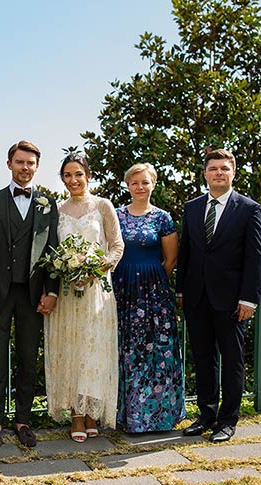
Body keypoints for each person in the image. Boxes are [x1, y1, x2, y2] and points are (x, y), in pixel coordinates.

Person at [0, 140, 59, 449]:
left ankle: (23, 420)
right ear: (9, 164)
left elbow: (52, 252)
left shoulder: (48, 205)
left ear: (37, 167)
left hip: (32, 294)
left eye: (31, 163)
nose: (25, 167)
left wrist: (51, 291)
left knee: (27, 358)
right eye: (20, 162)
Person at [177, 148, 261, 443]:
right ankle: (206, 415)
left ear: (233, 173)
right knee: (203, 358)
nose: (218, 173)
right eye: (213, 168)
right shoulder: (191, 207)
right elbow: (186, 252)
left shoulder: (249, 209)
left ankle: (228, 421)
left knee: (232, 360)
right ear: (205, 173)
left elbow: (255, 259)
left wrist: (249, 299)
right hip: (196, 296)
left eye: (224, 169)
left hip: (231, 301)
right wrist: (180, 290)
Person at [43, 153, 123, 442]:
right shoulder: (57, 209)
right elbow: (50, 250)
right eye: (67, 175)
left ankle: (92, 413)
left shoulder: (103, 206)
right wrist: (67, 267)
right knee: (72, 350)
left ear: (88, 175)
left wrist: (95, 269)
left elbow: (116, 246)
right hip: (67, 295)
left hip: (96, 293)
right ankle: (77, 415)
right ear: (62, 179)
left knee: (93, 352)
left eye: (78, 174)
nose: (73, 180)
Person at [112, 163, 186, 433]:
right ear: (128, 185)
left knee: (157, 351)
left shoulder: (163, 218)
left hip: (155, 294)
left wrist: (149, 277)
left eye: (145, 182)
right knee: (128, 350)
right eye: (134, 182)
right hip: (124, 291)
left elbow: (171, 259)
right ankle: (129, 416)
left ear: (153, 183)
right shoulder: (117, 215)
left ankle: (159, 416)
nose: (140, 187)